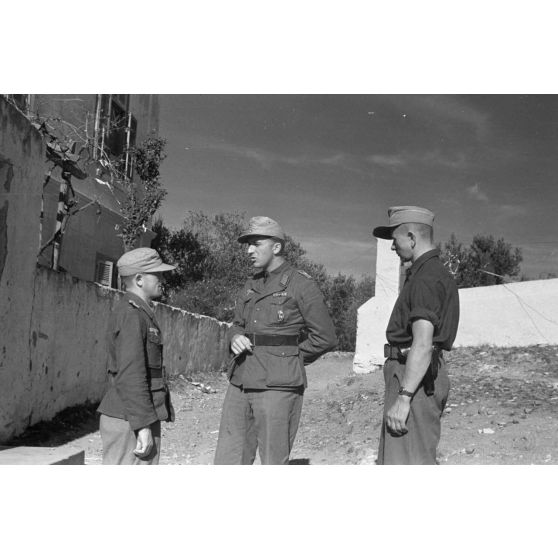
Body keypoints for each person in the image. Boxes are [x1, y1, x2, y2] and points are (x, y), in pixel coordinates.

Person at [214, 216, 337, 465]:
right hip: (241, 380)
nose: (249, 251)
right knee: (229, 459)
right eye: (247, 245)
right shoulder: (251, 284)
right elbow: (237, 323)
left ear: (277, 247)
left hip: (277, 386)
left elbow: (325, 337)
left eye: (256, 244)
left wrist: (289, 357)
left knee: (272, 460)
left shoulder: (301, 284)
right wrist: (235, 336)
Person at [372, 206, 459, 465]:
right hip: (415, 375)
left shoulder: (425, 278)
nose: (392, 247)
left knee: (406, 461)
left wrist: (404, 397)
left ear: (411, 237)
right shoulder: (427, 273)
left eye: (394, 240)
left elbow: (422, 343)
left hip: (414, 379)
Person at [97, 247, 176, 465]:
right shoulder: (132, 314)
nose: (162, 279)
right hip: (130, 419)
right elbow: (131, 373)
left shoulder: (139, 312)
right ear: (139, 279)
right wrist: (142, 425)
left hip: (134, 415)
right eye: (157, 274)